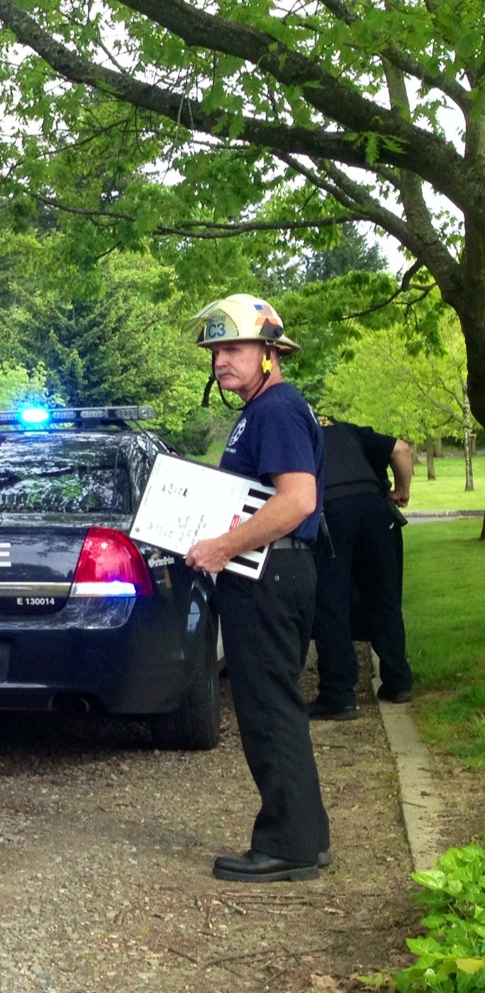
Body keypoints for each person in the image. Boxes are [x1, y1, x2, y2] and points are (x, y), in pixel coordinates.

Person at [184, 294, 331, 883]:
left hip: (270, 575)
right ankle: (305, 836)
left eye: (235, 348)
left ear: (270, 353)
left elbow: (298, 500)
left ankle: (288, 845)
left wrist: (222, 546)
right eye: (217, 350)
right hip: (269, 573)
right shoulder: (261, 410)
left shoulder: (276, 410)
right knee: (275, 707)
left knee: (268, 711)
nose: (221, 361)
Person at [308, 420, 415, 718]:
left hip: (330, 512)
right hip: (374, 508)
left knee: (331, 603)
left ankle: (339, 694)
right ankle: (398, 681)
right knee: (384, 598)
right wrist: (401, 491)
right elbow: (401, 450)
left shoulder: (297, 434)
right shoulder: (350, 431)